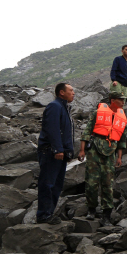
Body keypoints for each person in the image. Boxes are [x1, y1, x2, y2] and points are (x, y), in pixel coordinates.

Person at [78, 92, 127, 226]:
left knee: (108, 183)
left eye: (124, 100)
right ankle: (91, 209)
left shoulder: (122, 118)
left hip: (110, 152)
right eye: (120, 100)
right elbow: (87, 132)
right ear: (112, 100)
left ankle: (107, 214)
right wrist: (82, 150)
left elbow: (122, 140)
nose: (123, 102)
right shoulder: (97, 113)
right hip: (94, 150)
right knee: (91, 182)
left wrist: (119, 157)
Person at [37, 83, 75, 225]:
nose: (73, 93)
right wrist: (58, 149)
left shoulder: (64, 108)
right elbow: (52, 129)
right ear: (61, 93)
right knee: (48, 183)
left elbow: (65, 133)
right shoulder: (55, 106)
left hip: (60, 153)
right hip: (51, 152)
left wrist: (68, 152)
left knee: (57, 185)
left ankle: (49, 213)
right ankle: (43, 215)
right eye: (71, 90)